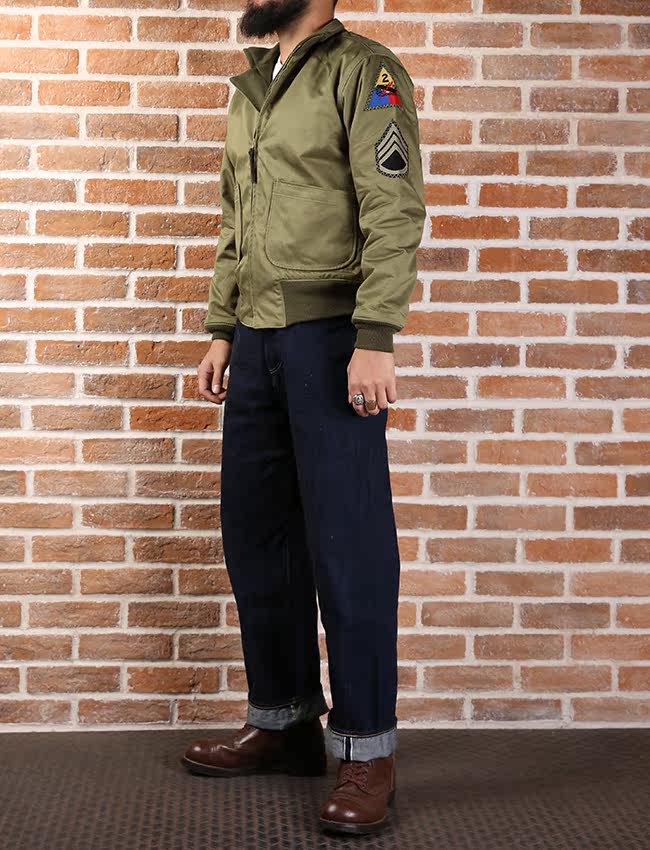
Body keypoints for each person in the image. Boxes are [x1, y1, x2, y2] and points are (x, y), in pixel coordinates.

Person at [181, 0, 426, 835]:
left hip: (331, 339)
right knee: (259, 537)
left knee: (349, 547)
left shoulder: (366, 72)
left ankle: (367, 751)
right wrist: (222, 327)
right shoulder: (258, 82)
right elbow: (234, 217)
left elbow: (394, 207)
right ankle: (284, 723)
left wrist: (376, 337)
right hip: (255, 339)